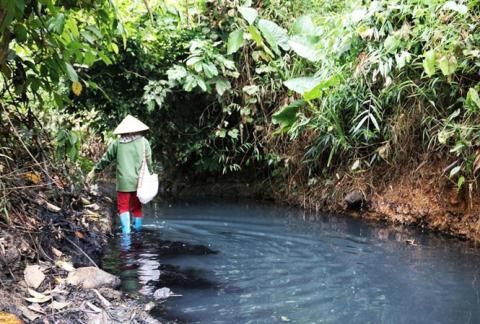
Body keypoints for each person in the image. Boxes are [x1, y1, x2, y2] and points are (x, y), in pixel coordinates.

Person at [86, 115, 153, 234]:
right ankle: (137, 233)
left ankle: (126, 235)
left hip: (123, 183)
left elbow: (106, 159)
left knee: (123, 208)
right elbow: (149, 163)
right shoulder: (144, 142)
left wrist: (94, 171)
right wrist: (151, 175)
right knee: (137, 208)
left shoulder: (117, 143)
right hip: (139, 183)